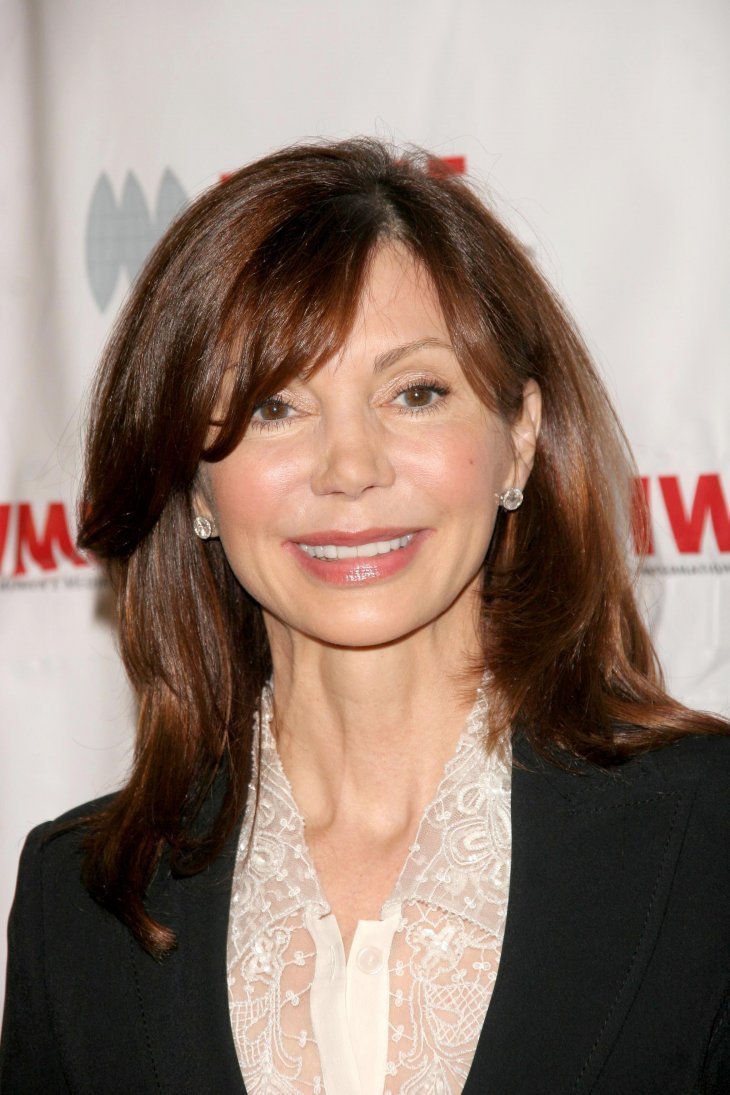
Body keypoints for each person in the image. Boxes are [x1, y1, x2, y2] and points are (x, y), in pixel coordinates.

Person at [1, 138, 729, 1095]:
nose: (351, 467)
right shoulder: (83, 897)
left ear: (518, 440)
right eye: (274, 408)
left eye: (415, 393)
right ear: (197, 484)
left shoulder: (710, 833)